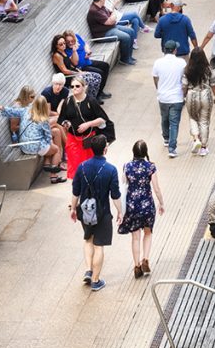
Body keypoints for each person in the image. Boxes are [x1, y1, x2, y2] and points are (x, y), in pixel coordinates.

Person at [70, 135, 122, 292]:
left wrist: (73, 208)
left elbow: (75, 191)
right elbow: (115, 195)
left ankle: (88, 269)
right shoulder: (111, 169)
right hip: (103, 213)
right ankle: (95, 280)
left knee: (88, 240)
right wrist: (120, 211)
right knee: (99, 246)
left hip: (86, 212)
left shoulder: (82, 167)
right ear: (105, 149)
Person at [0, 95, 66, 183]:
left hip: (24, 146)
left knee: (51, 137)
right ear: (44, 107)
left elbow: (11, 111)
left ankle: (47, 163)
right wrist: (51, 143)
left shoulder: (25, 111)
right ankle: (53, 175)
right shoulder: (43, 119)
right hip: (35, 147)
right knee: (56, 149)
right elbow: (48, 136)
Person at [121, 140, 165, 279]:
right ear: (145, 152)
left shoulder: (127, 166)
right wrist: (161, 203)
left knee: (135, 237)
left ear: (133, 152)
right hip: (147, 204)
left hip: (132, 205)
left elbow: (123, 185)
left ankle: (136, 266)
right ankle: (145, 259)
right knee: (148, 233)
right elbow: (156, 188)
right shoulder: (150, 167)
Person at [152, 40, 187, 157]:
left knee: (164, 118)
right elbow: (185, 78)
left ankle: (166, 138)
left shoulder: (157, 62)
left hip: (163, 97)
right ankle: (172, 148)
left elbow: (155, 78)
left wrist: (159, 89)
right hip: (177, 97)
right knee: (174, 122)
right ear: (175, 50)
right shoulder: (181, 62)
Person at [183, 49, 215, 156]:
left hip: (192, 94)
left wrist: (184, 96)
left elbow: (184, 85)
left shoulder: (187, 69)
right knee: (204, 121)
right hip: (206, 94)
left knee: (193, 118)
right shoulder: (208, 69)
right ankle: (203, 147)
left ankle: (196, 138)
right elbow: (213, 84)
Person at [86, 0, 135, 67]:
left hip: (111, 28)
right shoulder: (94, 11)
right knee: (126, 37)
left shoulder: (101, 7)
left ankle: (129, 56)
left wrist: (112, 15)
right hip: (103, 34)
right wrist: (113, 15)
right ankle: (124, 59)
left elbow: (111, 15)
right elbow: (109, 21)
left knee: (131, 31)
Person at [64, 30, 111, 98]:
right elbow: (75, 63)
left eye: (72, 41)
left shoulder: (77, 36)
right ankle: (97, 95)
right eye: (68, 42)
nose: (70, 43)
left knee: (105, 65)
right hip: (81, 67)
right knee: (100, 72)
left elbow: (85, 44)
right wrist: (74, 51)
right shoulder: (67, 50)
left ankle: (100, 91)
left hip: (87, 61)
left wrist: (88, 51)